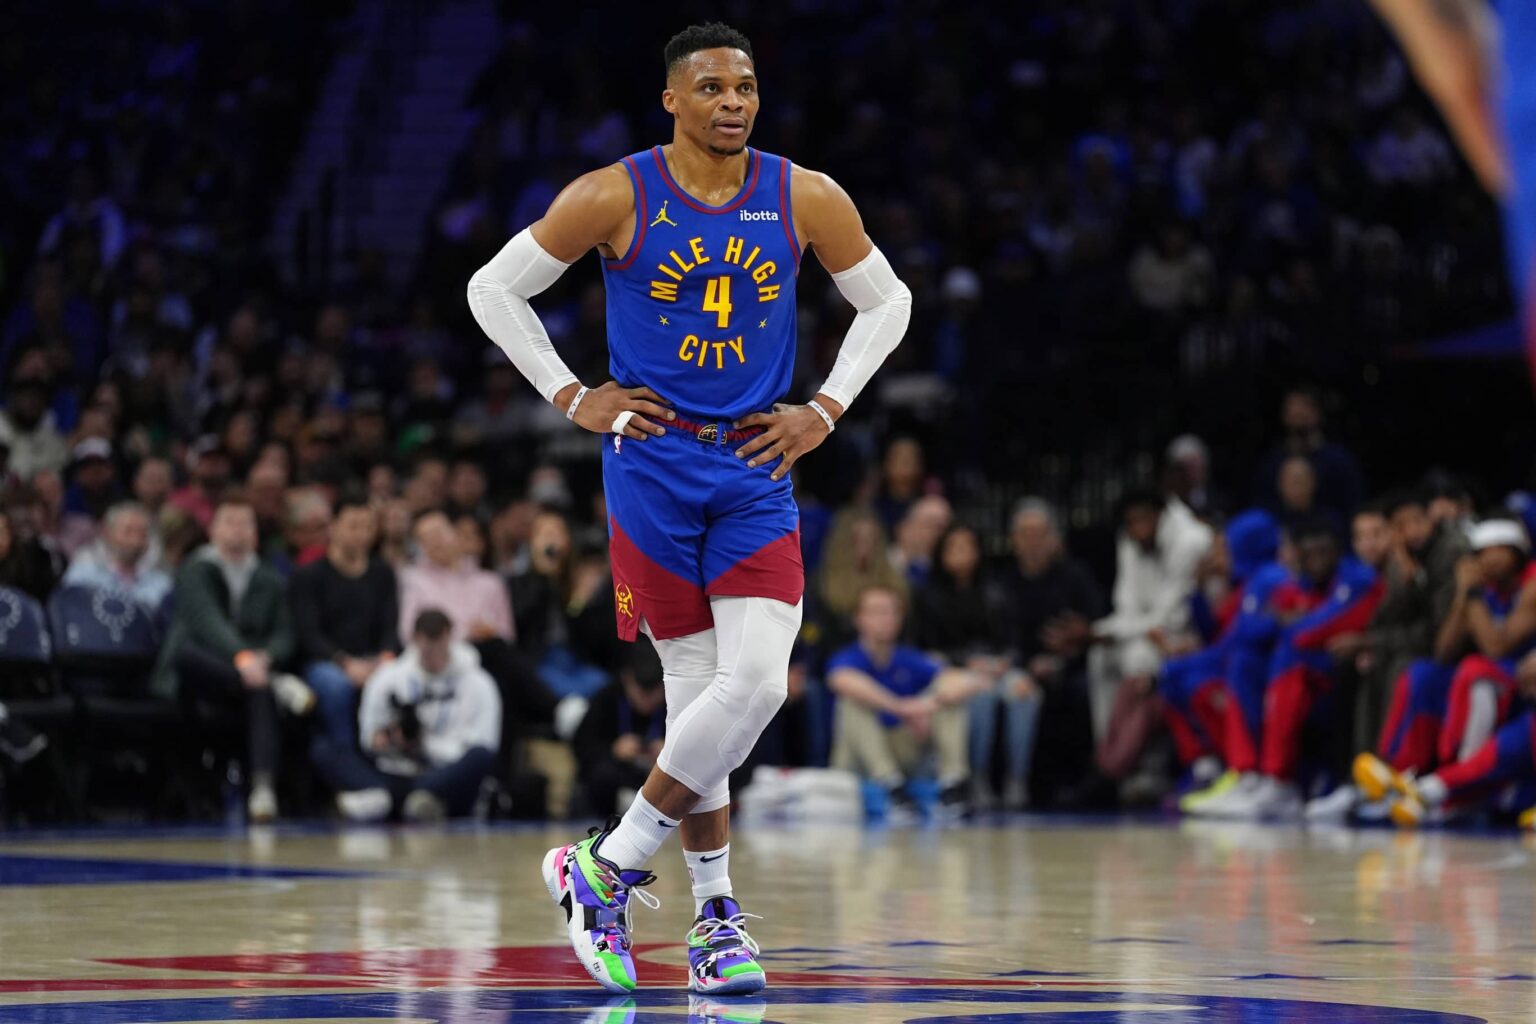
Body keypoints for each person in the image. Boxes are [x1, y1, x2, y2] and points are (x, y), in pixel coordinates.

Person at [467, 22, 911, 995]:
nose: (734, 103)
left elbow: (890, 302)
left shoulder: (802, 195)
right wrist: (568, 393)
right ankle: (714, 922)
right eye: (712, 87)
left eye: (746, 87)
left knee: (753, 686)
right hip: (653, 470)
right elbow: (493, 287)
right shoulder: (614, 194)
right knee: (696, 695)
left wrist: (827, 408)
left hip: (755, 466)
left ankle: (607, 865)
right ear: (671, 99)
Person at [1197, 519, 1384, 820]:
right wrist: (1282, 621)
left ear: (1337, 551)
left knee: (1288, 658)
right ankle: (1247, 775)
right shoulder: (1300, 583)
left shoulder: (1357, 578)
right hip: (1313, 670)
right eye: (1309, 555)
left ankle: (1279, 781)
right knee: (1245, 662)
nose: (1316, 561)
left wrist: (1289, 622)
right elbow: (1245, 631)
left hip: (1338, 675)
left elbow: (1313, 628)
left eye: (1323, 553)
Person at [1356, 518, 1536, 827]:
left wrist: (1475, 597)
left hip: (1517, 689)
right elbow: (1444, 650)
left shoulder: (1531, 585)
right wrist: (1462, 596)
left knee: (1476, 670)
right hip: (1497, 684)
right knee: (1423, 673)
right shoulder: (1480, 588)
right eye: (1482, 552)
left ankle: (1455, 789)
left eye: (1499, 551)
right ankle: (1399, 772)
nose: (1489, 559)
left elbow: (1497, 647)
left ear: (1518, 553)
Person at [152, 497, 315, 823]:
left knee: (258, 690)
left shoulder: (268, 577)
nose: (238, 531)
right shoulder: (195, 569)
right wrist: (243, 658)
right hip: (195, 674)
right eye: (230, 522)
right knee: (192, 656)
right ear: (213, 530)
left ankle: (263, 790)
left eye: (246, 523)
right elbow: (207, 623)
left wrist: (265, 658)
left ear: (256, 533)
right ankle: (275, 683)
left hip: (247, 678)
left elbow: (285, 633)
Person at [314, 609, 500, 823]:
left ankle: (388, 801)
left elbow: (485, 743)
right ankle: (403, 800)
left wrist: (426, 746)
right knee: (324, 749)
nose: (432, 658)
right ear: (414, 640)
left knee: (480, 758)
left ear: (449, 638)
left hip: (443, 772)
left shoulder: (479, 683)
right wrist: (384, 739)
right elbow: (368, 738)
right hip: (394, 769)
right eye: (425, 650)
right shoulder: (389, 678)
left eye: (437, 649)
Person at [913, 523, 1036, 811]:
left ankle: (1017, 778)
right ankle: (977, 777)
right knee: (981, 696)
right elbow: (927, 647)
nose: (961, 555)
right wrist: (968, 663)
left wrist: (1006, 662)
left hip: (998, 667)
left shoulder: (998, 590)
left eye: (967, 548)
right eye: (953, 548)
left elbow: (1016, 639)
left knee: (1025, 693)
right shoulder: (927, 595)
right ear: (941, 553)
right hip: (956, 668)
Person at [827, 585, 981, 812]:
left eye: (892, 612)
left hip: (902, 749)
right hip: (858, 757)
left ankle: (953, 783)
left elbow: (965, 680)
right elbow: (840, 680)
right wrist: (899, 707)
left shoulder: (907, 657)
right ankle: (889, 784)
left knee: (948, 695)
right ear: (858, 618)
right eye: (878, 611)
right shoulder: (847, 657)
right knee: (851, 702)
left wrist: (927, 705)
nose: (887, 619)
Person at [289, 497, 400, 756]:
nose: (361, 535)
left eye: (367, 527)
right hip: (326, 662)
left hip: (374, 660)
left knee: (402, 680)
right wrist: (346, 663)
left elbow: (390, 628)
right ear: (333, 527)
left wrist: (383, 660)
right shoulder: (308, 576)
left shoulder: (383, 574)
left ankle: (394, 761)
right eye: (353, 526)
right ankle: (347, 762)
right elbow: (309, 635)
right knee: (337, 686)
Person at [573, 639, 669, 816]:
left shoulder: (674, 701)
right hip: (619, 776)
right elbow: (582, 746)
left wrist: (671, 752)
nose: (647, 700)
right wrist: (613, 749)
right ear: (627, 679)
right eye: (641, 691)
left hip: (662, 776)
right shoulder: (607, 698)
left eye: (654, 692)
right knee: (601, 775)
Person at [397, 510, 513, 645]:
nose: (434, 543)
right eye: (425, 539)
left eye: (438, 534)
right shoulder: (413, 580)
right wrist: (466, 634)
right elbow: (407, 632)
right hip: (436, 658)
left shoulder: (491, 583)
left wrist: (488, 632)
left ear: (456, 534)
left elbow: (506, 635)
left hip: (486, 656)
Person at [60, 501, 172, 614]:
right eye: (128, 532)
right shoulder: (83, 576)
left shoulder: (162, 584)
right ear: (107, 533)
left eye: (142, 534)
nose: (135, 541)